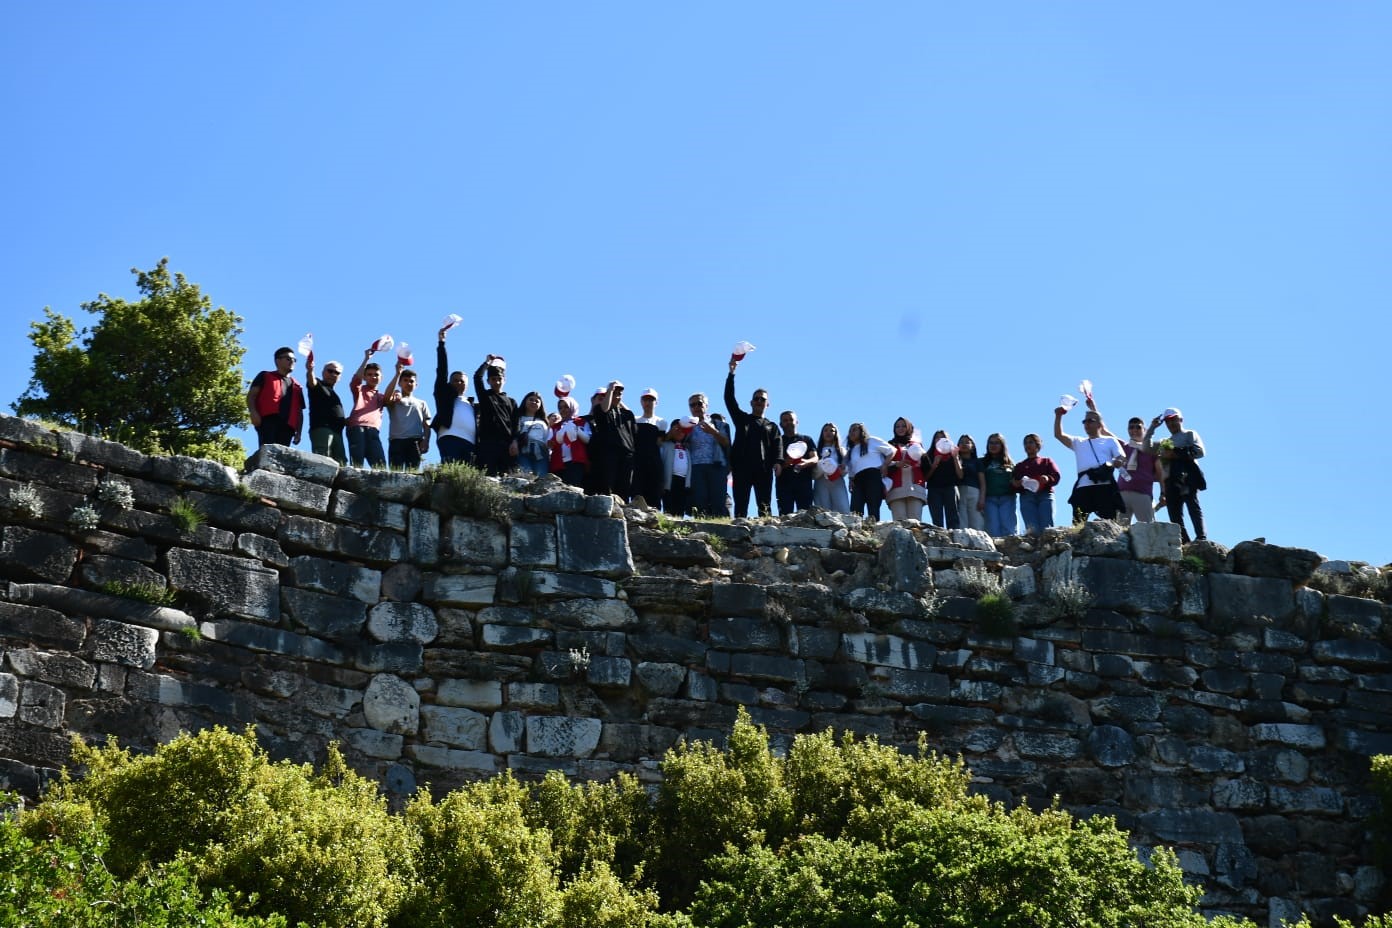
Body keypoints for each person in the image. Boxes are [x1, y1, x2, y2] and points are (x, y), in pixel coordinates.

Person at [723, 362, 781, 518]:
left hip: (763, 469)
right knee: (741, 503)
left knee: (764, 504)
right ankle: (739, 531)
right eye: (756, 399)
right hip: (742, 467)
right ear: (751, 402)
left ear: (767, 404)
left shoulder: (772, 426)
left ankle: (767, 531)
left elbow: (778, 446)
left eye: (762, 399)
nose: (759, 401)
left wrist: (778, 462)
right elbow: (729, 399)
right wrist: (731, 374)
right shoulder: (742, 419)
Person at [1054, 405, 1126, 524]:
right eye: (1084, 421)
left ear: (1099, 424)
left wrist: (1117, 462)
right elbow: (1058, 435)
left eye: (1090, 421)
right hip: (1084, 486)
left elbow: (1122, 457)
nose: (1086, 424)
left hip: (1104, 485)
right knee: (1078, 522)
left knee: (1109, 522)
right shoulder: (1078, 442)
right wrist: (1058, 416)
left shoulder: (1110, 440)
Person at [1145, 407, 1207, 542]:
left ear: (1181, 420)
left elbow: (1200, 451)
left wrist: (1176, 453)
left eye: (1174, 420)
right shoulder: (1164, 442)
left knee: (1193, 507)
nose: (1171, 424)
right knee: (1174, 514)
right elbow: (1146, 448)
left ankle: (1201, 538)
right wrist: (1152, 428)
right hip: (1170, 480)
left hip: (1188, 476)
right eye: (1168, 421)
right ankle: (1185, 543)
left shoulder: (1189, 434)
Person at [672, 393, 731, 518]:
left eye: (699, 403)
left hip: (717, 466)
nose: (696, 407)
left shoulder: (720, 424)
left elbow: (727, 443)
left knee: (718, 501)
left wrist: (713, 431)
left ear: (706, 405)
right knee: (699, 501)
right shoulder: (687, 426)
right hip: (695, 468)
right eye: (693, 405)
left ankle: (719, 530)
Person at [433, 326, 476, 465]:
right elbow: (442, 370)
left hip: (470, 443)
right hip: (449, 438)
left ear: (467, 385)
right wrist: (441, 344)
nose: (458, 382)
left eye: (461, 381)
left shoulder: (472, 405)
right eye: (455, 380)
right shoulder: (444, 396)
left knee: (467, 479)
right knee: (449, 473)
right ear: (449, 383)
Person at [246, 346, 305, 449]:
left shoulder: (297, 386)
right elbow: (251, 396)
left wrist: (298, 432)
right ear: (278, 360)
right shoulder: (265, 375)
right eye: (288, 359)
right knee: (267, 450)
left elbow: (299, 412)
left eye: (294, 360)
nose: (292, 361)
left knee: (282, 455)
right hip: (268, 420)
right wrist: (253, 413)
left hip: (288, 426)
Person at [588, 381, 638, 499]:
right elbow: (604, 408)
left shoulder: (627, 414)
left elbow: (634, 427)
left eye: (619, 394)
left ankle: (622, 513)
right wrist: (610, 390)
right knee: (608, 484)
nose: (617, 396)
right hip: (609, 453)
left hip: (627, 454)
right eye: (614, 394)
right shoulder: (600, 410)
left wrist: (618, 398)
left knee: (624, 486)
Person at [473, 355, 518, 475]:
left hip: (506, 444)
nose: (497, 382)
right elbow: (477, 377)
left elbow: (515, 424)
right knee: (489, 476)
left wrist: (514, 441)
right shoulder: (485, 397)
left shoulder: (511, 402)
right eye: (493, 379)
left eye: (499, 379)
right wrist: (487, 363)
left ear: (504, 380)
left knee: (508, 476)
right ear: (488, 381)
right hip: (488, 443)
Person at [383, 360, 431, 470]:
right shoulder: (394, 399)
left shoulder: (422, 403)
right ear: (399, 383)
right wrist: (397, 373)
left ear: (416, 385)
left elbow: (427, 425)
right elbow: (386, 398)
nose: (408, 383)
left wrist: (426, 441)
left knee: (412, 472)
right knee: (395, 473)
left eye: (412, 381)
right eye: (405, 380)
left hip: (415, 442)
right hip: (396, 441)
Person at [1116, 416, 1162, 524]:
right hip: (1122, 493)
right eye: (1131, 427)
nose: (1134, 430)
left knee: (1148, 529)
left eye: (1138, 427)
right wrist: (1093, 408)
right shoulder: (1124, 447)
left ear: (1144, 430)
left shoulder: (1152, 450)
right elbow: (1104, 430)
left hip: (1143, 493)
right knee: (1118, 531)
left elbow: (1160, 474)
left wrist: (1163, 493)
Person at [1012, 434, 1061, 535]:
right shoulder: (1020, 466)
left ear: (1038, 445)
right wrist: (1017, 483)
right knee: (1032, 528)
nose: (1027, 445)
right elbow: (1014, 483)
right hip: (1027, 496)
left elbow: (1056, 476)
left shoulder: (1046, 461)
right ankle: (1035, 549)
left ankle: (1048, 548)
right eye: (1025, 443)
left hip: (1045, 494)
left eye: (1031, 442)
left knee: (1047, 527)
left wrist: (1047, 478)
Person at [346, 351, 387, 468]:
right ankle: (352, 486)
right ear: (364, 377)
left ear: (381, 377)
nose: (373, 377)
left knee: (380, 465)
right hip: (357, 427)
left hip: (373, 430)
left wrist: (398, 393)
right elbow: (355, 381)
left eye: (376, 374)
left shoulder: (381, 396)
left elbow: (391, 399)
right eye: (369, 374)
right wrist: (366, 359)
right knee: (357, 464)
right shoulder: (359, 390)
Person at [774, 410, 819, 515]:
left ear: (797, 422)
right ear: (780, 424)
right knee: (785, 516)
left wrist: (805, 463)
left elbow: (815, 458)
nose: (789, 422)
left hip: (804, 484)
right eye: (785, 420)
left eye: (791, 420)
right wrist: (785, 463)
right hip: (783, 485)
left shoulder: (806, 439)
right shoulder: (777, 441)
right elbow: (775, 464)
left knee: (806, 516)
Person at [846, 422, 893, 521]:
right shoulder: (851, 451)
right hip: (858, 479)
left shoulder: (872, 441)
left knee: (873, 506)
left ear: (862, 431)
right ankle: (856, 531)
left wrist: (885, 465)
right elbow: (851, 468)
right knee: (855, 508)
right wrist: (850, 480)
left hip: (873, 475)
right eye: (850, 431)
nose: (851, 432)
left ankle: (874, 530)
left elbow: (891, 451)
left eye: (854, 429)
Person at [304, 355, 347, 464]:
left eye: (337, 373)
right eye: (330, 371)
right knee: (322, 459)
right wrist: (310, 370)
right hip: (322, 428)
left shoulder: (334, 393)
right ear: (323, 372)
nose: (333, 374)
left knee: (341, 462)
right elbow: (311, 381)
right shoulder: (318, 384)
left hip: (337, 432)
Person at [884, 417, 927, 522]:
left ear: (909, 428)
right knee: (899, 522)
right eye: (897, 426)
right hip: (896, 489)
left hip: (915, 489)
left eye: (903, 426)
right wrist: (897, 464)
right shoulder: (889, 446)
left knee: (915, 522)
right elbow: (883, 465)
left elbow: (926, 465)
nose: (900, 428)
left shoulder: (917, 445)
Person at [632, 388, 668, 508]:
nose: (648, 402)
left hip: (654, 461)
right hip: (637, 461)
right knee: (637, 492)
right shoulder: (634, 420)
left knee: (654, 493)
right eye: (645, 399)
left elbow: (660, 442)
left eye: (651, 400)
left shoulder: (661, 422)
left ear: (656, 402)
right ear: (641, 402)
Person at [922, 429, 962, 528]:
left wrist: (956, 458)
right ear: (933, 440)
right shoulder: (928, 455)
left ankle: (954, 538)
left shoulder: (954, 454)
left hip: (951, 487)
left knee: (953, 516)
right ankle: (939, 538)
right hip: (934, 489)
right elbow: (926, 478)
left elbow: (960, 475)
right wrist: (934, 465)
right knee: (937, 519)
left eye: (943, 437)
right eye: (937, 437)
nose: (940, 439)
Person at [548, 396, 591, 487]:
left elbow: (588, 440)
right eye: (560, 408)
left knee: (573, 488)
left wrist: (577, 430)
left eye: (566, 407)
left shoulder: (582, 422)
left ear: (573, 407)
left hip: (576, 463)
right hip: (557, 464)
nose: (563, 410)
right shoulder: (555, 427)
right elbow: (550, 444)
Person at [981, 433, 1017, 537]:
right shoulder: (982, 462)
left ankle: (1010, 550)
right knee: (992, 528)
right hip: (989, 498)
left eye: (997, 443)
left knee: (1008, 527)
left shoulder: (1010, 463)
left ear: (1002, 445)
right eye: (991, 443)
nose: (993, 445)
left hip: (1007, 497)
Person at [812, 422, 850, 513]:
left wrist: (842, 468)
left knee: (842, 507)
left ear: (835, 433)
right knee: (822, 509)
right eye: (825, 430)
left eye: (831, 430)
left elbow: (847, 466)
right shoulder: (816, 451)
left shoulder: (841, 451)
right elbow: (813, 470)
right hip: (821, 481)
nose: (828, 432)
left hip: (837, 481)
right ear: (822, 433)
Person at [512, 392, 550, 478]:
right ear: (525, 401)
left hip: (540, 453)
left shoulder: (543, 422)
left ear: (540, 405)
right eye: (531, 400)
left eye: (537, 401)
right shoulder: (518, 418)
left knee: (541, 477)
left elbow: (546, 439)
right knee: (525, 475)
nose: (534, 402)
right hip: (523, 450)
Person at [956, 434, 986, 532]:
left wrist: (982, 498)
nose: (964, 444)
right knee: (961, 518)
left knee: (976, 518)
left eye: (967, 442)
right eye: (961, 442)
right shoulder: (955, 460)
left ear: (973, 446)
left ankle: (979, 542)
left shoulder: (977, 462)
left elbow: (982, 482)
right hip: (959, 491)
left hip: (974, 491)